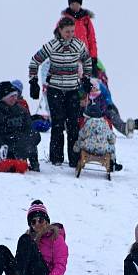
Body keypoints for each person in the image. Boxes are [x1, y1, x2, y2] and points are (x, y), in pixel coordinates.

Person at [29, 17, 93, 167]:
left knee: (73, 125)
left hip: (72, 90)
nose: (70, 34)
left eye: (72, 31)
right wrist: (33, 81)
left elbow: (87, 61)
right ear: (60, 30)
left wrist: (86, 78)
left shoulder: (79, 45)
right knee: (57, 124)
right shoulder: (52, 46)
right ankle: (56, 158)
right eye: (67, 31)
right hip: (55, 89)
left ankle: (74, 159)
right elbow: (35, 60)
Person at [0, 200, 68, 275]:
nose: (37, 224)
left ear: (47, 221)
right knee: (1, 250)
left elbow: (60, 266)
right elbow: (21, 262)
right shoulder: (30, 237)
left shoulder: (56, 238)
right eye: (33, 221)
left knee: (25, 239)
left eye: (41, 220)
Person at [74, 103, 123, 171]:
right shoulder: (105, 124)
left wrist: (81, 141)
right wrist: (109, 141)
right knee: (112, 147)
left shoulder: (88, 124)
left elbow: (81, 135)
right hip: (103, 149)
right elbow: (112, 138)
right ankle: (112, 164)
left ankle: (76, 159)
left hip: (88, 147)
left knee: (78, 143)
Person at [61, 0, 99, 76]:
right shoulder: (64, 20)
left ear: (80, 4)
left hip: (84, 57)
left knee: (90, 82)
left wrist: (93, 58)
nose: (74, 6)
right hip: (69, 57)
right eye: (72, 4)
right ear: (69, 5)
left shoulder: (86, 20)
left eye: (77, 4)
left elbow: (92, 40)